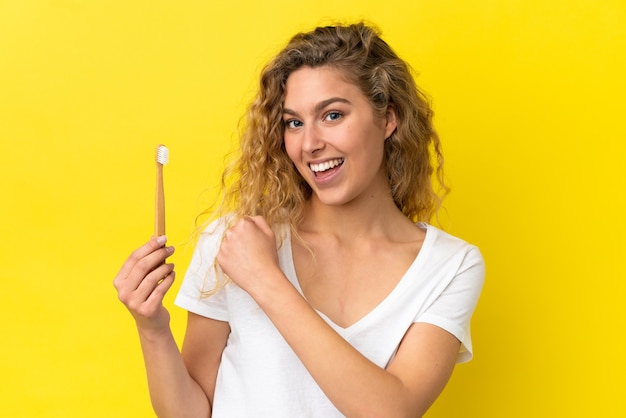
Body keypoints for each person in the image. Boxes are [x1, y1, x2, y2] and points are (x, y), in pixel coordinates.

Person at [114, 22, 485, 418]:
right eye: (294, 122)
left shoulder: (449, 266)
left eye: (332, 115)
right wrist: (151, 328)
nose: (309, 144)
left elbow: (390, 411)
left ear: (388, 118)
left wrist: (266, 280)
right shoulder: (234, 239)